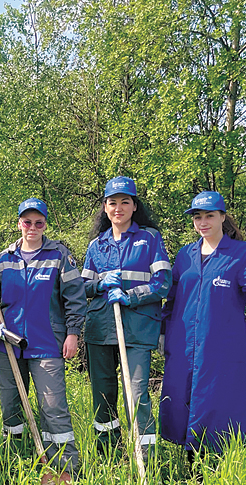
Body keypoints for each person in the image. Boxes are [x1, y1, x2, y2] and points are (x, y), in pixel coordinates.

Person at [159, 191, 246, 455]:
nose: (203, 222)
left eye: (209, 215)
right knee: (180, 401)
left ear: (222, 217)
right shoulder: (184, 256)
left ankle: (216, 469)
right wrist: (163, 331)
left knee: (217, 405)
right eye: (197, 217)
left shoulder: (241, 254)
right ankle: (188, 467)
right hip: (182, 344)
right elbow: (173, 297)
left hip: (219, 347)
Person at [0, 198, 86, 476]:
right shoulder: (3, 259)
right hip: (8, 346)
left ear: (45, 225)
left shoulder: (59, 256)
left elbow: (75, 297)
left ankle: (65, 470)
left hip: (47, 345)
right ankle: (16, 466)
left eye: (38, 223)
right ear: (19, 224)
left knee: (53, 408)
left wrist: (73, 333)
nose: (32, 227)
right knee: (11, 409)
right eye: (27, 222)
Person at [81, 176, 171, 462]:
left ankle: (147, 460)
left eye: (124, 202)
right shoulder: (97, 245)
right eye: (112, 202)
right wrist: (100, 284)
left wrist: (131, 295)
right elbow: (81, 287)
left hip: (138, 328)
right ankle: (108, 457)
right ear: (105, 208)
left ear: (134, 206)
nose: (118, 208)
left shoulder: (150, 240)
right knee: (103, 398)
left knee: (136, 395)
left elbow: (163, 283)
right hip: (100, 330)